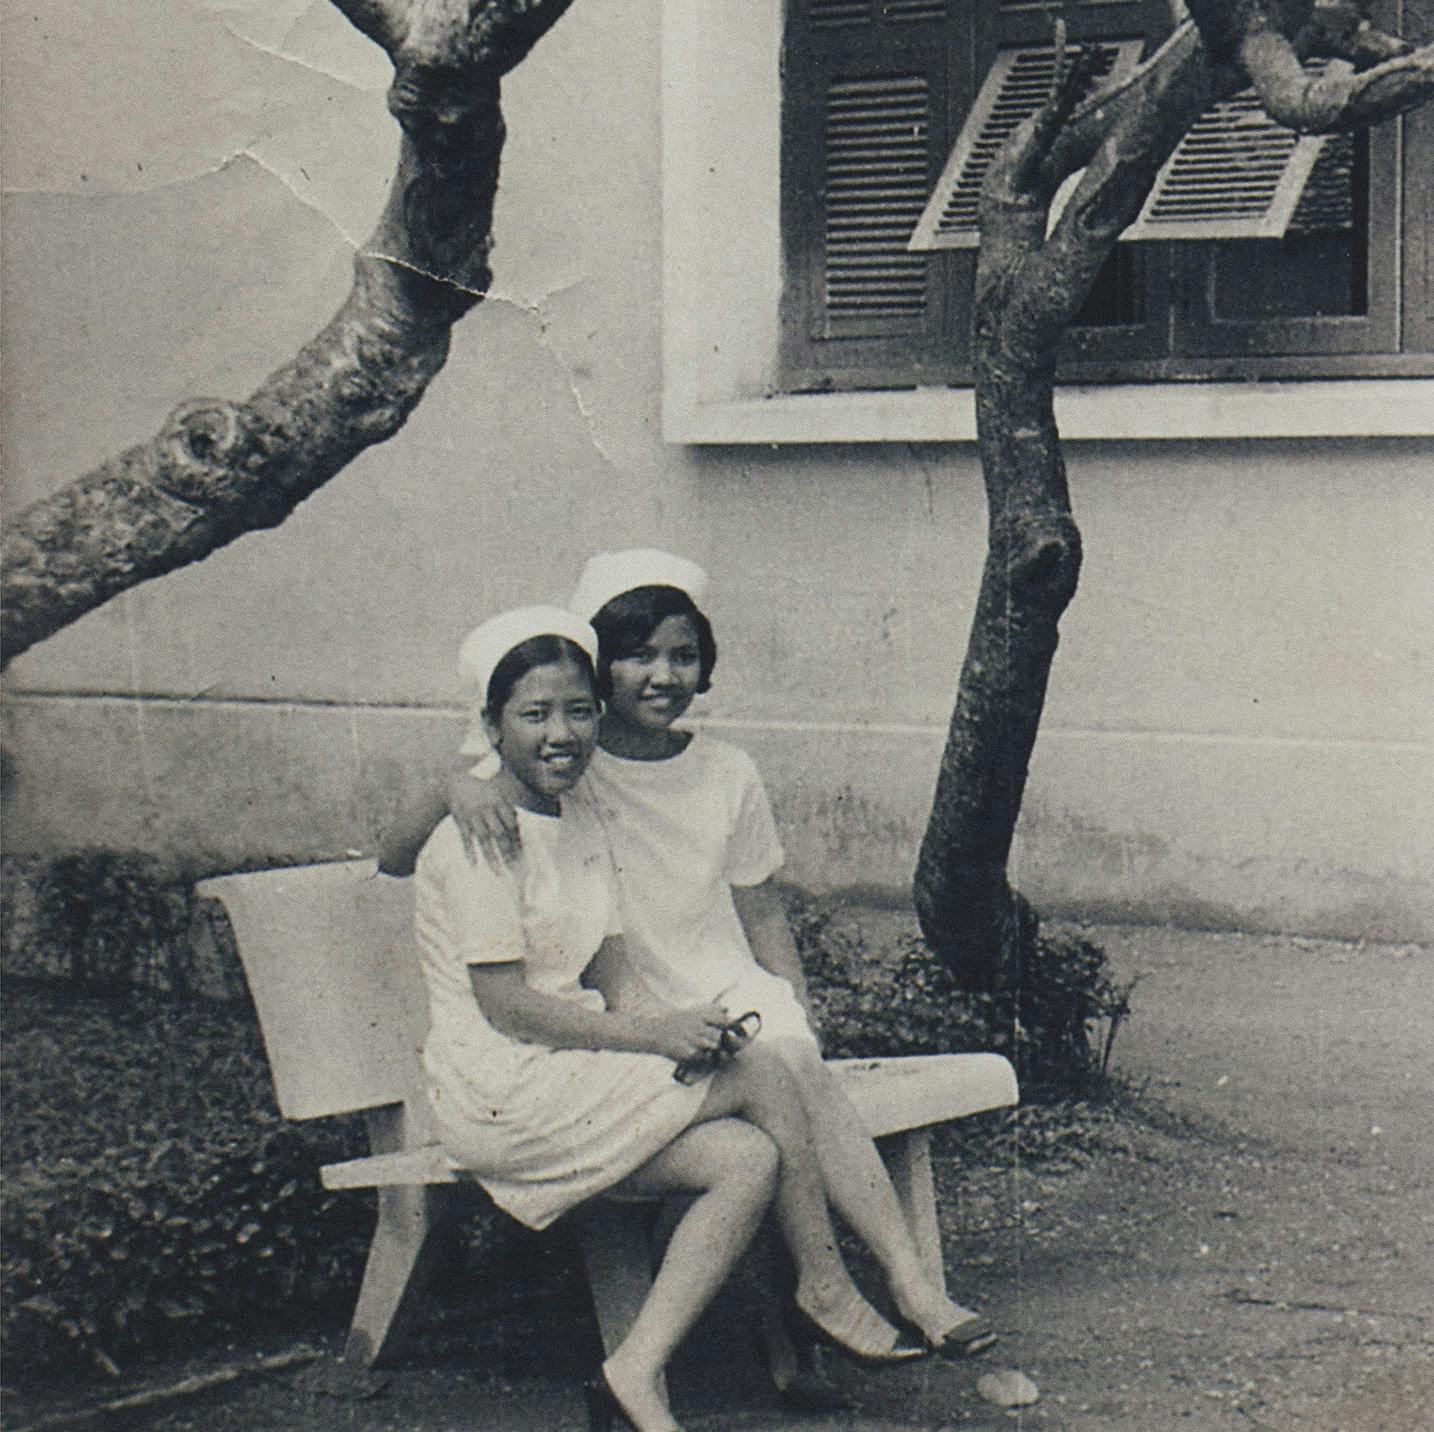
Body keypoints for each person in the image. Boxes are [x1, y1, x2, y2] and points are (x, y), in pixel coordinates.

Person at [387, 553, 997, 1359]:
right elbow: (450, 809)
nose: (661, 675)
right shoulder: (572, 759)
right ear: (602, 671)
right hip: (631, 996)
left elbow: (761, 907)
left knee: (792, 1056)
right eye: (637, 656)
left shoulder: (720, 770)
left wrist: (797, 1004)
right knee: (772, 1079)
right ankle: (827, 1294)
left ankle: (907, 1280)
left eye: (682, 656)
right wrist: (454, 785)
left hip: (716, 981)